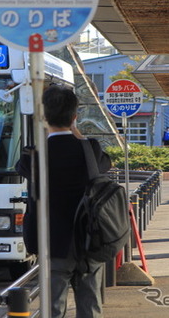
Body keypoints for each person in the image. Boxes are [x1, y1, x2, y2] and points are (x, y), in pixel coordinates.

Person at [16, 86, 111, 318]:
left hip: (52, 243)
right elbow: (106, 165)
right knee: (90, 307)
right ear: (74, 117)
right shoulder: (91, 150)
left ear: (43, 116)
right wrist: (77, 133)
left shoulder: (33, 155)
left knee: (52, 309)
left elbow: (22, 169)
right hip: (89, 240)